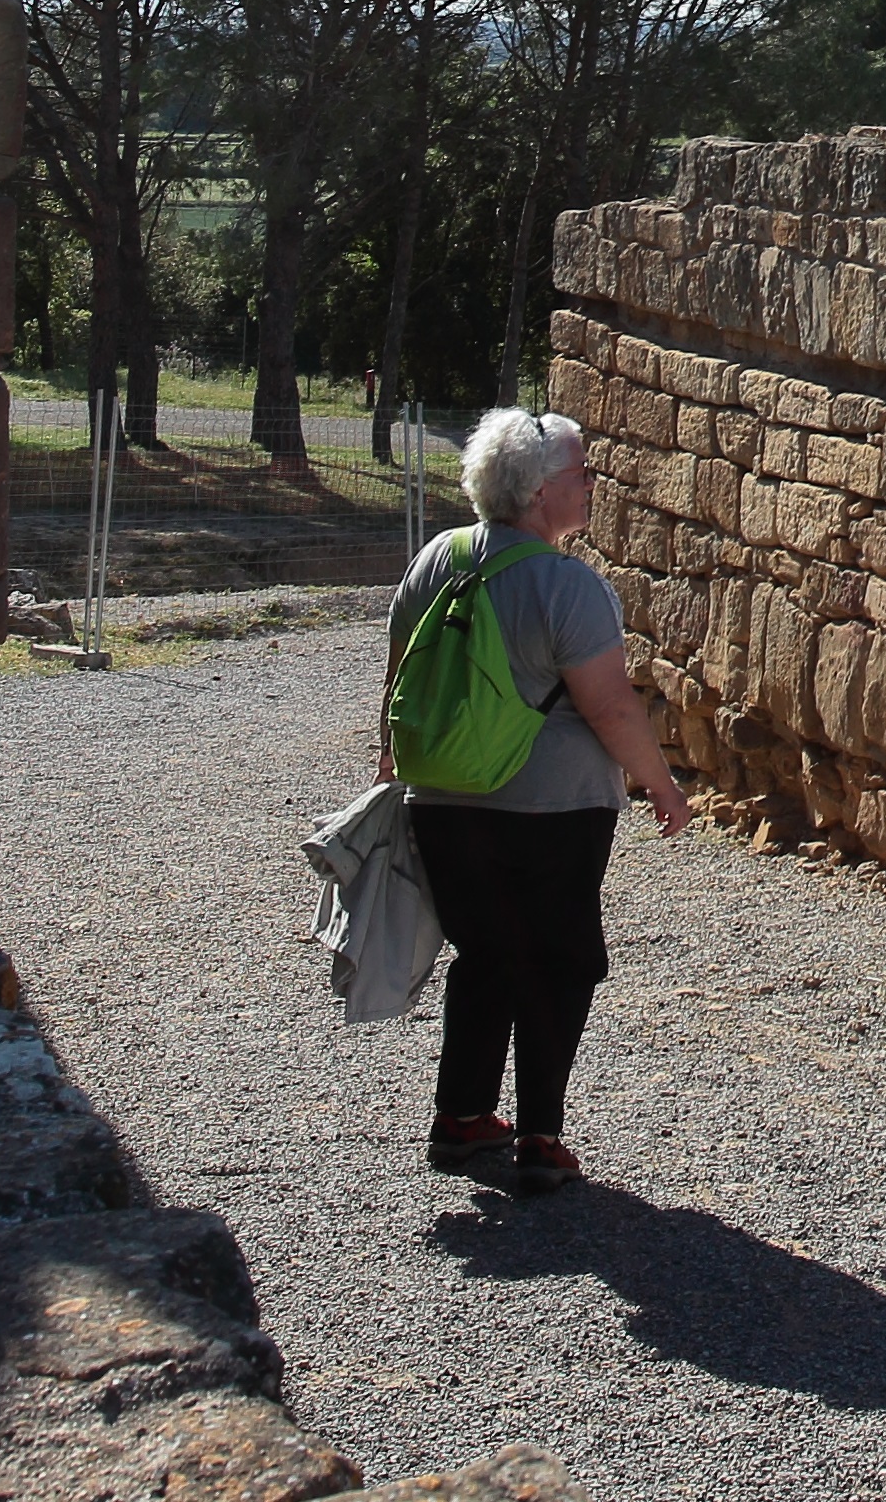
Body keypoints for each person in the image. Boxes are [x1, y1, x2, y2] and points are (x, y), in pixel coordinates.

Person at [383, 404, 690, 1195]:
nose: (591, 485)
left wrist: (393, 771)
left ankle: (461, 1116)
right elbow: (610, 707)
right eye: (581, 473)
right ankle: (541, 1137)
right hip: (551, 810)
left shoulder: (435, 560)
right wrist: (660, 783)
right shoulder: (567, 584)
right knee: (562, 962)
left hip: (441, 798)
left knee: (485, 953)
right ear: (540, 491)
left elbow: (399, 680)